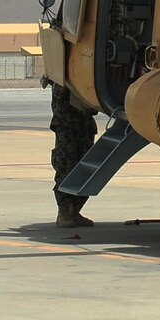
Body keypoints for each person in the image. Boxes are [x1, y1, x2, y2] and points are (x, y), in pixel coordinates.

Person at [49, 82, 97, 228]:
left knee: (85, 165)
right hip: (67, 123)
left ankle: (75, 210)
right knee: (66, 164)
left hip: (84, 122)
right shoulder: (61, 76)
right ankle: (64, 211)